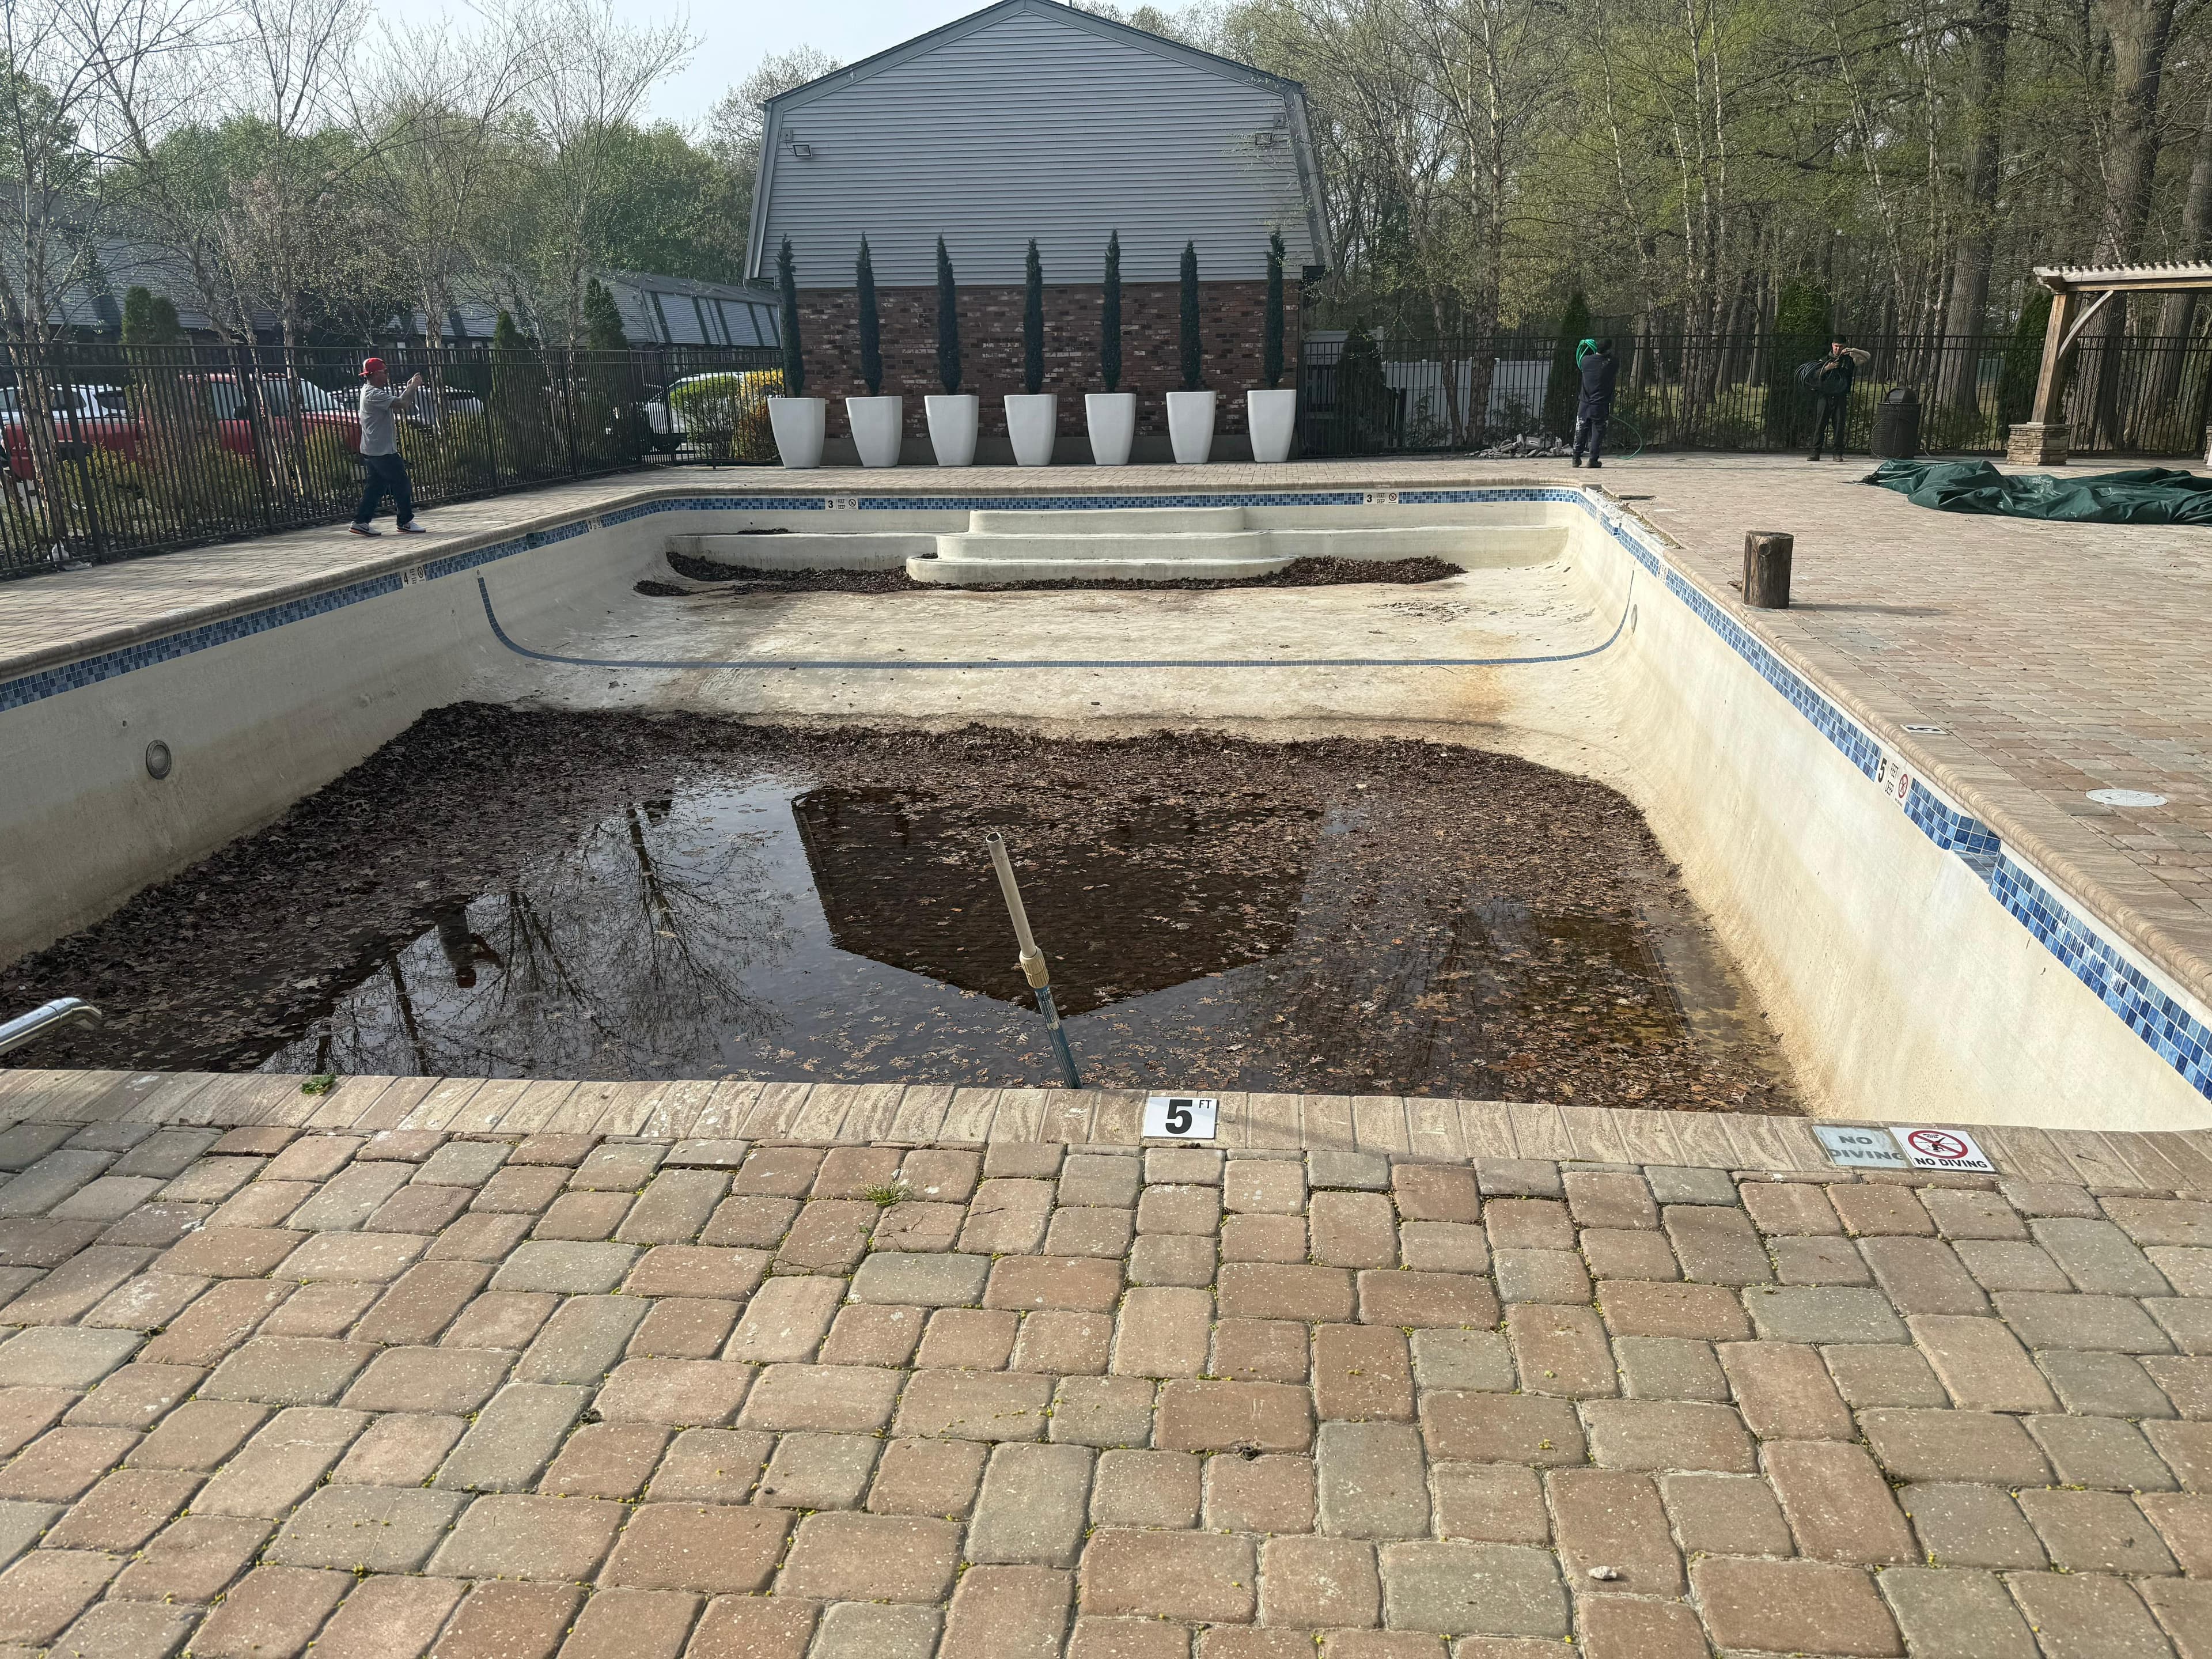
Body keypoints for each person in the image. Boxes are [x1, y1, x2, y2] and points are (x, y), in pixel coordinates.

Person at [351, 357, 426, 536]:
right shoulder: (373, 394)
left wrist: (409, 388)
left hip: (375, 449)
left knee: (376, 487)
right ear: (376, 374)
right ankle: (405, 521)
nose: (387, 375)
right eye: (385, 372)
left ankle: (360, 522)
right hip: (381, 451)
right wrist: (413, 386)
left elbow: (400, 404)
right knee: (402, 483)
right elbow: (402, 404)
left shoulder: (371, 392)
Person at [1571, 336, 1619, 469]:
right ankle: (1593, 459)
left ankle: (1576, 458)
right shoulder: (1612, 363)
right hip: (1600, 404)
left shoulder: (1585, 361)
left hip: (1585, 402)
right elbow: (1613, 361)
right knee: (1598, 431)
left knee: (1581, 428)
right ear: (1608, 350)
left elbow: (1584, 361)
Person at [1808, 336, 1858, 461]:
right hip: (1825, 395)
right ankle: (1815, 452)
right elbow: (1814, 375)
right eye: (1836, 346)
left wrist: (1852, 351)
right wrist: (1826, 369)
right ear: (1832, 345)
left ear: (1844, 346)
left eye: (1841, 346)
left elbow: (1866, 357)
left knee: (1839, 425)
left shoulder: (1848, 361)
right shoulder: (1824, 360)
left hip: (1840, 395)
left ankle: (1838, 453)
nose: (1838, 349)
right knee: (1820, 424)